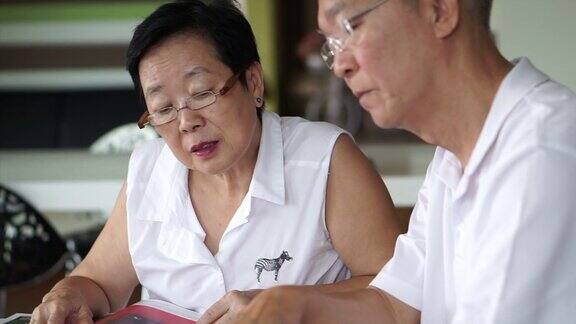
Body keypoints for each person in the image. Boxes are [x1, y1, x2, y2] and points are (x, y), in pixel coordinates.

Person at [198, 0, 576, 323]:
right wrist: (288, 304)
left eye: (351, 26)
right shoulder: (452, 158)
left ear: (439, 9)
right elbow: (395, 304)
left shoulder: (542, 154)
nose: (339, 64)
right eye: (332, 43)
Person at [30, 0, 403, 323]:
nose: (186, 122)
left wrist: (294, 308)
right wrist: (68, 295)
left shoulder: (325, 160)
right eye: (162, 109)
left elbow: (399, 292)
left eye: (202, 93)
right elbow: (97, 283)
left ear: (253, 83)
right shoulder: (149, 171)